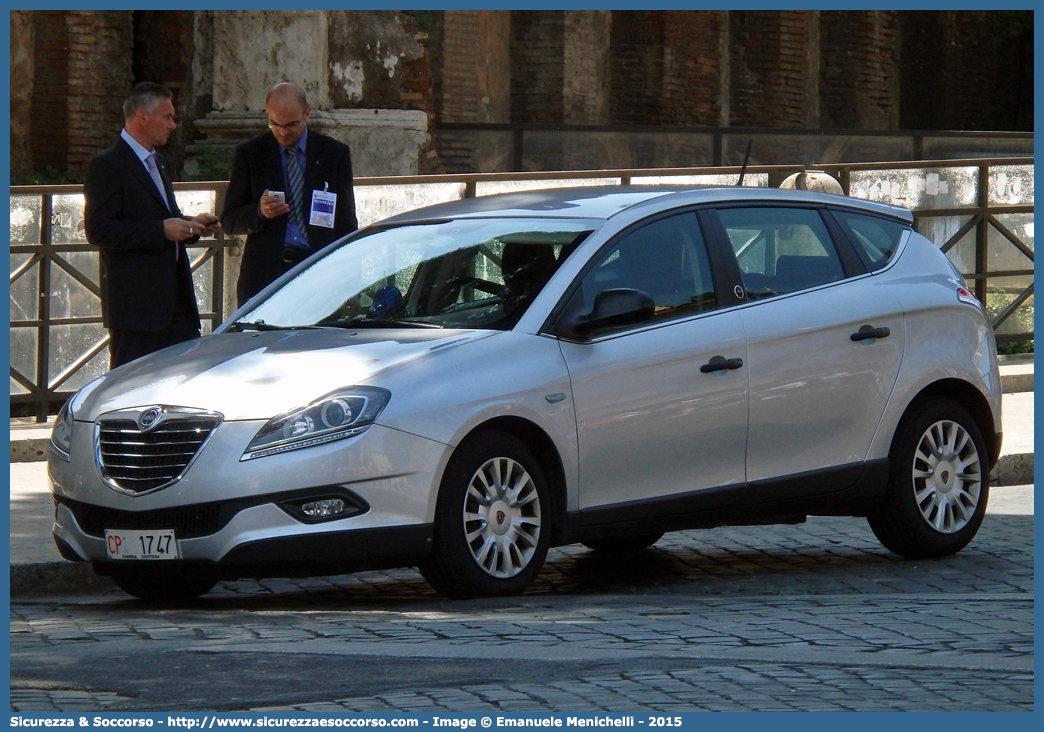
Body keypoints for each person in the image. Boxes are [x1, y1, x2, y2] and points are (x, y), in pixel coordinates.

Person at [84, 82, 221, 370]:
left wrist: (191, 225)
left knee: (181, 382)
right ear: (142, 117)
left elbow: (162, 215)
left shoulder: (159, 162)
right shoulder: (107, 164)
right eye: (167, 117)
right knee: (128, 388)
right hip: (137, 309)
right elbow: (99, 230)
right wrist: (162, 230)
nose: (172, 125)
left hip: (177, 302)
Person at [221, 82, 358, 307]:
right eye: (274, 124)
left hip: (318, 272)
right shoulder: (251, 154)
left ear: (307, 114)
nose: (283, 132)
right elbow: (229, 221)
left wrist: (347, 275)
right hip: (266, 275)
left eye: (291, 125)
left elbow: (346, 221)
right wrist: (259, 211)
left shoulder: (333, 154)